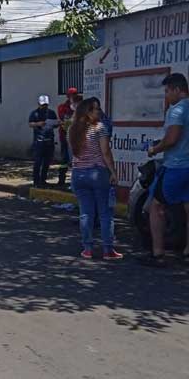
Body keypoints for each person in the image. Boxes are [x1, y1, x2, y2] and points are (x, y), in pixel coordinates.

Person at [141, 73, 189, 267]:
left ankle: (158, 253)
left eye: (167, 91)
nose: (166, 96)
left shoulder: (176, 110)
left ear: (177, 89)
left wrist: (154, 149)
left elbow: (172, 139)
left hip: (176, 166)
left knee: (155, 207)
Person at [69, 97, 123, 260]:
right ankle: (108, 249)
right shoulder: (99, 128)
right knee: (105, 213)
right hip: (97, 172)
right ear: (88, 112)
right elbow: (105, 152)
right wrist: (113, 172)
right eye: (96, 109)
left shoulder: (72, 129)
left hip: (78, 173)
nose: (99, 112)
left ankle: (87, 248)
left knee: (86, 213)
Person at [28, 95, 60, 187]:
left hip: (49, 139)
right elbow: (30, 124)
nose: (44, 106)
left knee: (47, 162)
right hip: (39, 140)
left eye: (45, 104)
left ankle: (43, 180)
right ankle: (36, 181)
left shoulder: (51, 113)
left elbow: (55, 124)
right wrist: (38, 123)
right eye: (42, 105)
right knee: (38, 162)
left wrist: (56, 124)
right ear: (39, 104)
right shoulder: (35, 113)